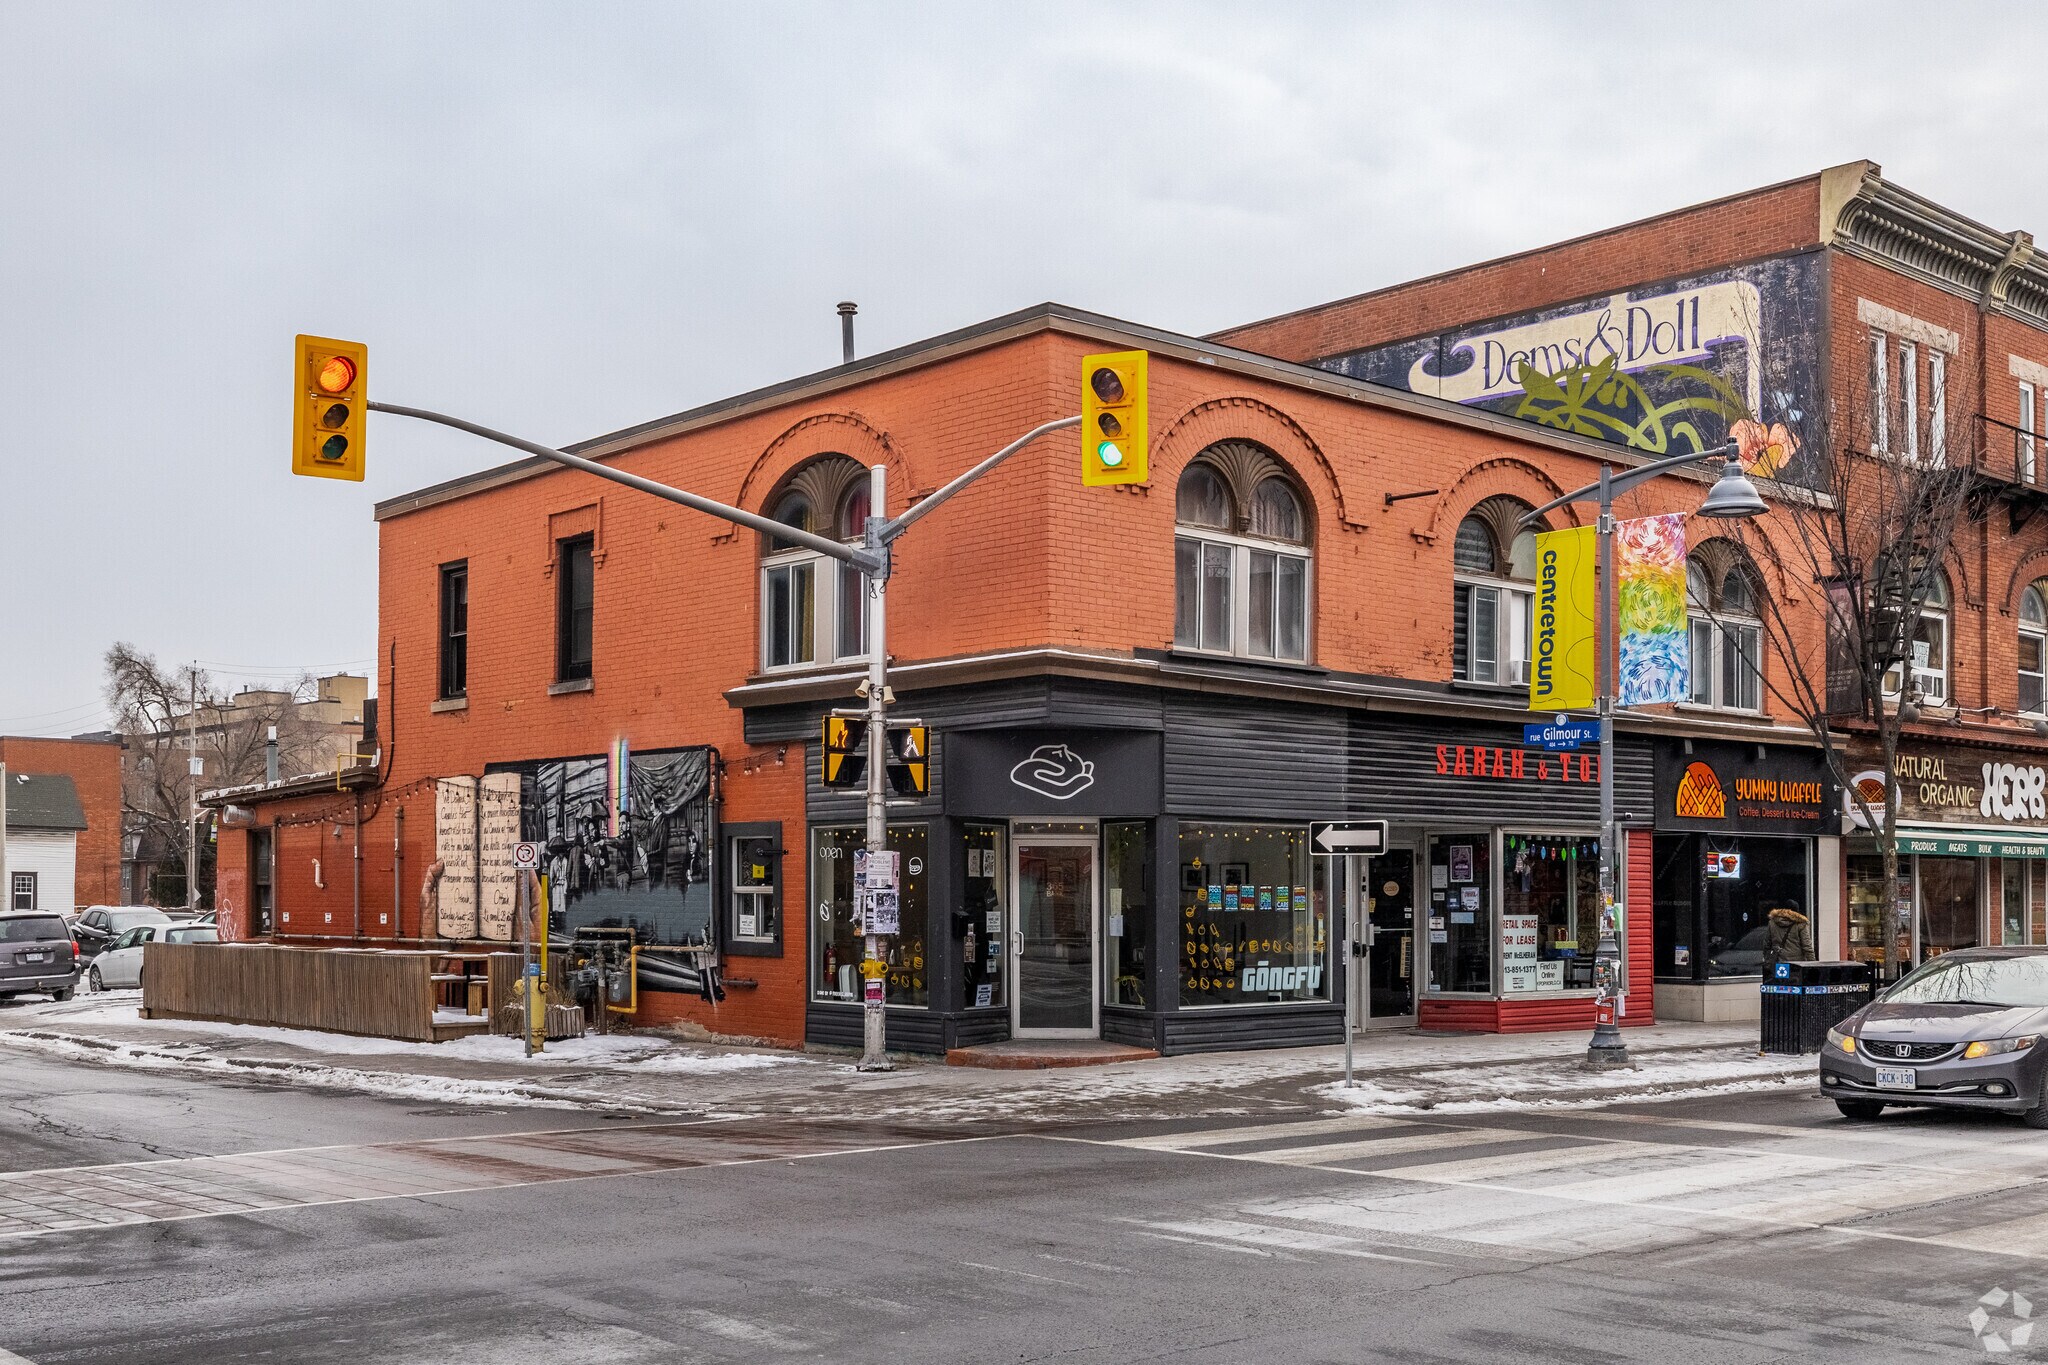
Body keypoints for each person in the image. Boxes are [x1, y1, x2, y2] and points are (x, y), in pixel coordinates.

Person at [1762, 899, 1816, 969]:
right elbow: (1807, 946)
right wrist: (1813, 964)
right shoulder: (1800, 923)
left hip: (1778, 962)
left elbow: (1767, 944)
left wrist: (1767, 960)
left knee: (1780, 979)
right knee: (1795, 979)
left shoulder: (1772, 923)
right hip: (1797, 964)